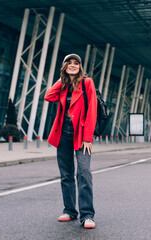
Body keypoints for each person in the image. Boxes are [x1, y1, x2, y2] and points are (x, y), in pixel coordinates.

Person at [44, 53, 97, 229]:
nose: (73, 65)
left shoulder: (87, 83)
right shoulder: (63, 85)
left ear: (80, 66)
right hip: (63, 133)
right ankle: (69, 210)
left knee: (84, 173)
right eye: (69, 63)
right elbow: (48, 96)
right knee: (66, 174)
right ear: (65, 66)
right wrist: (62, 78)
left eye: (76, 63)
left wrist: (88, 138)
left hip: (81, 134)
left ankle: (87, 215)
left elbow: (92, 111)